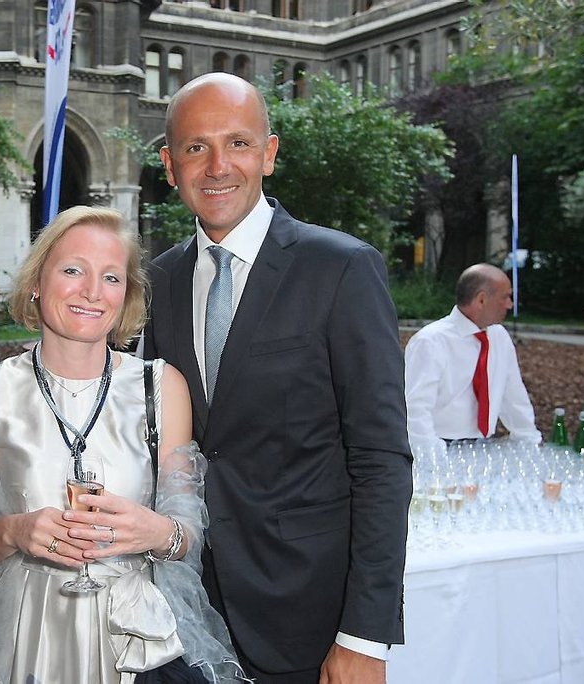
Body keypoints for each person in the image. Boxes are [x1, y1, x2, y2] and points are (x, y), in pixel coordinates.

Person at [143, 72, 413, 683]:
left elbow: (381, 459)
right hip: (184, 618)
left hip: (308, 621)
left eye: (237, 143)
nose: (217, 166)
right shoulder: (158, 282)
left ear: (268, 154)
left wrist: (365, 635)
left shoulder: (341, 269)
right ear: (170, 166)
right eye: (195, 147)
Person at [0, 206, 246, 684]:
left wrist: (158, 533)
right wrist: (14, 531)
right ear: (36, 282)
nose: (92, 292)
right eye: (73, 270)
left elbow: (188, 533)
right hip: (24, 636)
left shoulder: (160, 387)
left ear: (127, 296)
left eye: (112, 277)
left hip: (134, 638)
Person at [404, 263, 541, 450]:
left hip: (483, 446)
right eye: (505, 297)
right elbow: (416, 408)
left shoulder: (499, 337)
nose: (510, 304)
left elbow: (513, 396)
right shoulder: (431, 341)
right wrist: (432, 455)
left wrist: (529, 441)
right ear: (481, 300)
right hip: (439, 444)